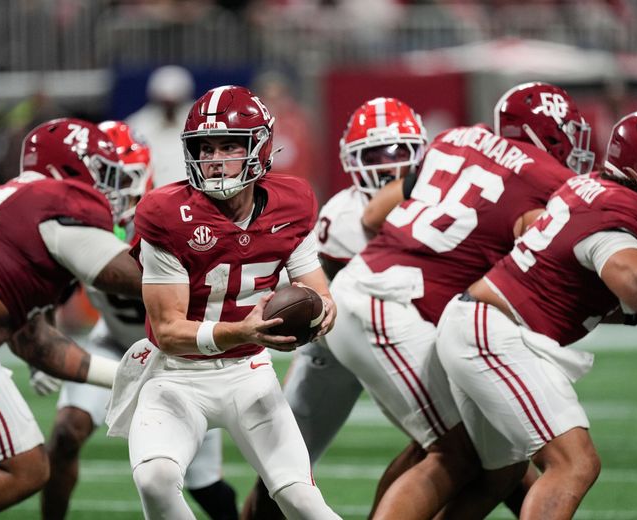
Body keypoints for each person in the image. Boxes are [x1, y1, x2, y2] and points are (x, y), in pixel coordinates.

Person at [324, 82, 595, 519]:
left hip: (380, 291)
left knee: (501, 461)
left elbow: (374, 215)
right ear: (551, 133)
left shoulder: (457, 139)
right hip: (389, 302)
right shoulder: (552, 183)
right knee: (455, 453)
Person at [432, 109, 637, 520]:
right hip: (492, 331)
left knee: (497, 474)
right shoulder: (618, 211)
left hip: (478, 322)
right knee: (574, 462)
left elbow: (583, 293)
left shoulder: (594, 191)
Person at [105, 85, 340, 520]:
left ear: (260, 147)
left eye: (229, 146)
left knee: (301, 499)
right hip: (175, 375)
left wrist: (323, 310)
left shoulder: (293, 201)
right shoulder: (167, 213)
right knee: (154, 478)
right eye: (204, 147)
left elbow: (317, 289)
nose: (215, 158)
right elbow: (171, 333)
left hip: (247, 373)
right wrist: (244, 330)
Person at [0, 117, 143, 519]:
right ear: (71, 166)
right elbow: (130, 277)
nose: (112, 189)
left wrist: (129, 376)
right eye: (103, 173)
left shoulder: (5, 201)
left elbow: (37, 344)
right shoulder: (63, 199)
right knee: (27, 468)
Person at [32, 120, 239, 520]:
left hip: (181, 353)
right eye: (99, 178)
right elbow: (45, 283)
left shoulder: (173, 218)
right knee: (64, 434)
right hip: (114, 343)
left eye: (117, 178)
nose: (108, 191)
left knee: (203, 485)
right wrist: (43, 340)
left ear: (143, 175)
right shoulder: (73, 223)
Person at [241, 97, 428, 519]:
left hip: (400, 337)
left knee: (444, 447)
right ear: (350, 160)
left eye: (401, 152)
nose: (388, 165)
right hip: (336, 346)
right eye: (375, 154)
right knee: (281, 475)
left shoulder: (434, 204)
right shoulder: (343, 215)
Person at [127, 65, 196, 187]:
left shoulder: (201, 122)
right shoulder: (136, 126)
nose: (169, 109)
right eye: (164, 103)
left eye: (174, 104)